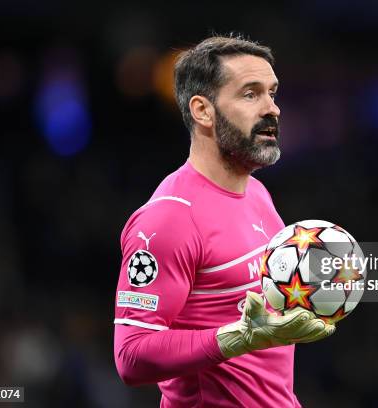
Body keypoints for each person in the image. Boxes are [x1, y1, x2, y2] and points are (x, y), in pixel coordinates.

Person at [113, 35, 335, 407]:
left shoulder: (258, 195)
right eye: (250, 94)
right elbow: (131, 356)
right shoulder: (169, 218)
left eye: (272, 93)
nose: (272, 109)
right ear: (203, 110)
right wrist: (236, 338)